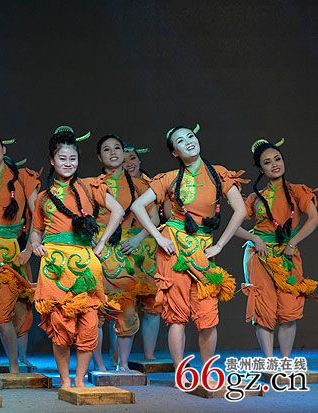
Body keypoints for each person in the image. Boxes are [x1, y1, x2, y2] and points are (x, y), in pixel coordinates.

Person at [130, 124, 247, 385]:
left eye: (191, 136)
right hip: (174, 249)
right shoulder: (170, 178)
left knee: (208, 315)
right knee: (177, 315)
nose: (189, 142)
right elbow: (138, 206)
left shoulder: (218, 174)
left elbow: (240, 211)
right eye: (181, 141)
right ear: (175, 152)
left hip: (203, 250)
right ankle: (181, 373)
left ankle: (207, 372)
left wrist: (220, 245)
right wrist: (159, 237)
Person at [30, 125, 123, 389]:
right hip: (54, 265)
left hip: (85, 262)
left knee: (89, 322)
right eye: (62, 158)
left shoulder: (89, 187)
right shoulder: (43, 197)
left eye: (73, 158)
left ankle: (80, 380)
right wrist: (35, 243)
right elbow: (36, 229)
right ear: (52, 160)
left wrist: (101, 242)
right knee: (60, 323)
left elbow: (118, 210)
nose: (68, 163)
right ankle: (65, 381)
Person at [235, 139, 317, 358]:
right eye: (267, 162)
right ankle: (270, 362)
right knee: (264, 308)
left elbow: (314, 218)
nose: (274, 165)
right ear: (261, 169)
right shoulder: (255, 198)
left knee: (289, 309)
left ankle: (285, 362)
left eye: (277, 159)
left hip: (287, 254)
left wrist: (293, 242)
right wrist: (254, 238)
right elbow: (235, 226)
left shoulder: (297, 191)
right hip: (259, 256)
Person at [87, 135, 159, 372]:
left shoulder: (139, 186)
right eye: (107, 149)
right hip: (98, 251)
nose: (113, 152)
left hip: (125, 252)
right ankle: (99, 365)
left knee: (127, 310)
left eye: (117, 148)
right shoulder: (91, 186)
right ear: (99, 157)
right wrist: (90, 237)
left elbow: (154, 219)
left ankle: (123, 364)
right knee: (95, 310)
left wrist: (138, 239)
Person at [0, 131, 40, 376]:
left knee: (4, 316)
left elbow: (39, 216)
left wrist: (28, 249)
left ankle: (14, 368)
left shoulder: (23, 178)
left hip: (13, 255)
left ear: (4, 149)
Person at [123, 143, 161, 361]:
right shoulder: (113, 186)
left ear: (139, 160)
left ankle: (149, 356)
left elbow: (155, 219)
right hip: (122, 248)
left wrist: (138, 238)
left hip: (146, 246)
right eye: (124, 160)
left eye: (132, 158)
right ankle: (119, 360)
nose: (129, 163)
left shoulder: (150, 186)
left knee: (152, 304)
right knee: (122, 302)